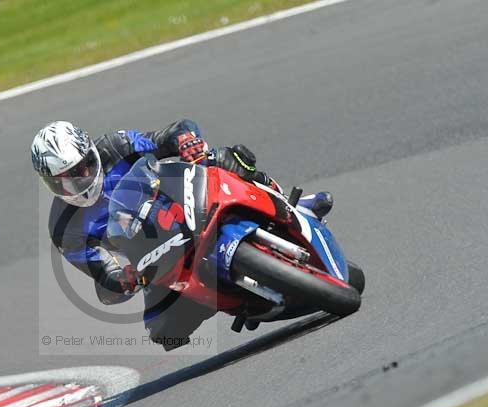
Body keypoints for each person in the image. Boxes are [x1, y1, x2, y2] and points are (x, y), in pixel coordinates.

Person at [31, 119, 332, 349]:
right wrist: (121, 278)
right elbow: (100, 270)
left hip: (180, 203)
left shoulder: (115, 145)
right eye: (61, 181)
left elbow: (168, 135)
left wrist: (185, 141)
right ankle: (240, 301)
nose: (76, 183)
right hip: (153, 255)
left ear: (91, 153)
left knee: (228, 158)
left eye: (80, 169)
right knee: (165, 332)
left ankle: (289, 204)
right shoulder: (63, 228)